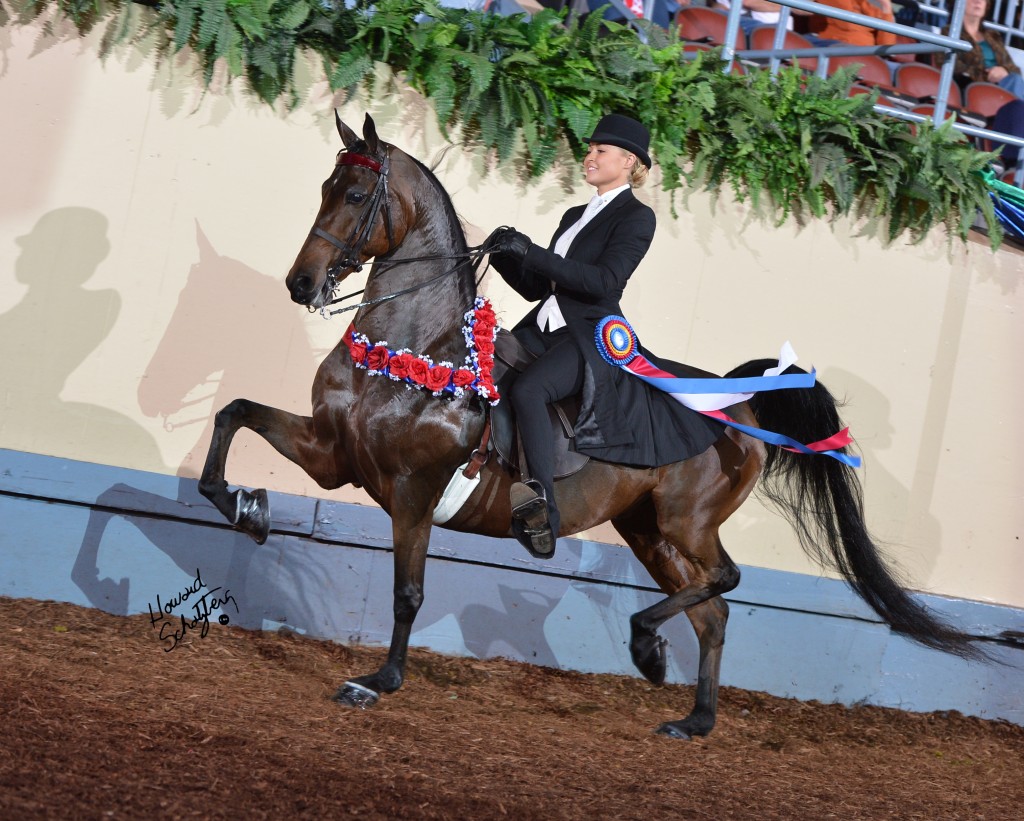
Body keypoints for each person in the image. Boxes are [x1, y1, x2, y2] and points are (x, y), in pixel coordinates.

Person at [486, 114, 723, 558]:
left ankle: (545, 513)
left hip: (589, 334)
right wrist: (507, 256)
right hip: (544, 327)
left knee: (532, 389)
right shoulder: (575, 214)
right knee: (488, 367)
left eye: (600, 150)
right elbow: (540, 287)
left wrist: (534, 253)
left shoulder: (637, 217)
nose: (589, 155)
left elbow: (603, 281)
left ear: (628, 160)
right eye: (589, 148)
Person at [955, 0, 1024, 100]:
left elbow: (1015, 70)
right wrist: (989, 74)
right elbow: (950, 65)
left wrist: (1004, 70)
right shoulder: (951, 32)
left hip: (1002, 87)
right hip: (973, 87)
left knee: (1015, 79)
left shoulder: (993, 36)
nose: (978, 1)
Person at [806, 0, 897, 47]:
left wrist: (887, 7)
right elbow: (799, 8)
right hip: (828, 43)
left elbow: (886, 45)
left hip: (865, 54)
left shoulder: (879, 5)